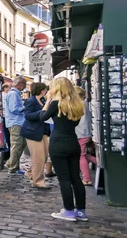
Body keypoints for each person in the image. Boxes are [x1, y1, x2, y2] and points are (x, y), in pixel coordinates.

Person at [39, 77, 87, 222]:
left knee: (64, 178)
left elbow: (42, 117)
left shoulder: (55, 104)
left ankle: (68, 211)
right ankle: (81, 211)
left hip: (58, 143)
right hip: (73, 142)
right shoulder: (77, 104)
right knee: (75, 178)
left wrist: (47, 101)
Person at [21, 82, 51, 189]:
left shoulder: (42, 100)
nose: (46, 91)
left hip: (42, 131)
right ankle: (38, 181)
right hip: (33, 132)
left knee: (45, 155)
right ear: (41, 90)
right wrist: (42, 113)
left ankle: (30, 172)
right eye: (44, 89)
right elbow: (28, 115)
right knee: (39, 157)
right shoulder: (31, 101)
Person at [4, 77, 27, 174]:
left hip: (17, 122)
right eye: (24, 85)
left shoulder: (14, 93)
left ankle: (12, 164)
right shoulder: (13, 94)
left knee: (21, 144)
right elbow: (14, 108)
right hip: (15, 122)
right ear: (20, 84)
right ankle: (12, 166)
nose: (24, 87)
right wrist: (24, 108)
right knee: (17, 144)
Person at [74, 87, 97, 186]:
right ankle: (99, 161)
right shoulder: (86, 104)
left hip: (81, 133)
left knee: (81, 156)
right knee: (81, 154)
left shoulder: (79, 105)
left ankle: (87, 179)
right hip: (85, 133)